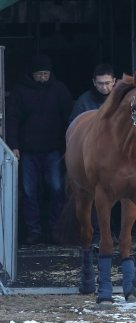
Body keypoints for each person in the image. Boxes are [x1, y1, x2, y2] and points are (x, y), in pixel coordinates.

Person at [6, 54, 74, 245]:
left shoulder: (59, 90)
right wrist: (14, 146)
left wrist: (68, 146)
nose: (43, 76)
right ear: (32, 74)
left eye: (46, 73)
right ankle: (33, 231)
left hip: (53, 150)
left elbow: (70, 118)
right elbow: (12, 120)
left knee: (57, 189)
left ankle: (56, 229)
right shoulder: (20, 92)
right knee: (29, 192)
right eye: (39, 73)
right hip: (28, 151)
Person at [68, 63, 119, 245]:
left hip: (118, 158)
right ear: (94, 82)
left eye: (107, 83)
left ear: (114, 81)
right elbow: (74, 127)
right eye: (100, 83)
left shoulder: (122, 99)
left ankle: (116, 232)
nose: (104, 87)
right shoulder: (84, 101)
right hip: (93, 158)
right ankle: (99, 235)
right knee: (97, 195)